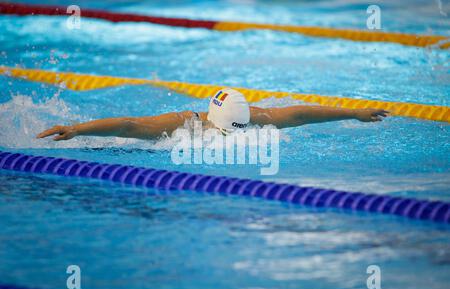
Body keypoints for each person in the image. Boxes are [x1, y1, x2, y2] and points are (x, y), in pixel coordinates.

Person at [37, 88, 389, 141]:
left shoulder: (256, 118)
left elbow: (296, 115)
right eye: (227, 133)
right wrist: (77, 129)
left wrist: (354, 112)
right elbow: (130, 125)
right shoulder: (182, 125)